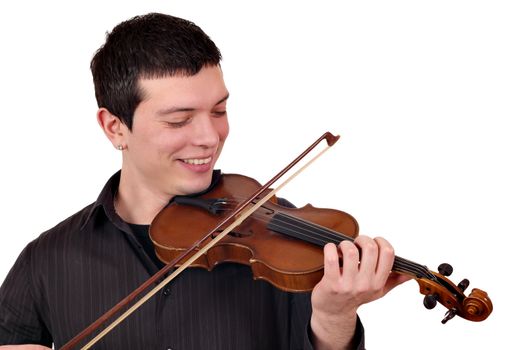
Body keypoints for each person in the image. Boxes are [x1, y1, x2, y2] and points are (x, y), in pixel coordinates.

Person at [0, 13, 408, 349]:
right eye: (179, 120)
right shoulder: (46, 261)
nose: (210, 137)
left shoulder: (284, 248)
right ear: (114, 127)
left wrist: (335, 319)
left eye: (218, 111)